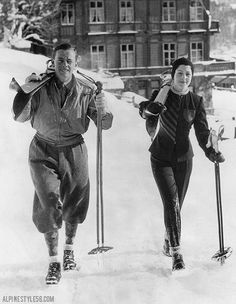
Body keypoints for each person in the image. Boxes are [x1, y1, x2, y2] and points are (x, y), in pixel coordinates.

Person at [12, 43, 113, 284]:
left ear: (76, 63)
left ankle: (69, 250)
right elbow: (20, 117)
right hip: (42, 151)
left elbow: (105, 124)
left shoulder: (87, 89)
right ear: (52, 62)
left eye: (69, 60)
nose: (64, 65)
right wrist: (24, 93)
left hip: (74, 150)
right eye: (60, 60)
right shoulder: (38, 86)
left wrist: (103, 108)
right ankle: (54, 262)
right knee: (48, 202)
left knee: (75, 200)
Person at [139, 57, 224, 271]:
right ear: (173, 74)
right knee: (171, 203)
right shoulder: (162, 96)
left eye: (188, 74)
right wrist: (155, 104)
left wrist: (211, 151)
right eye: (180, 73)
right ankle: (177, 253)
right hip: (160, 158)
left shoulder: (196, 101)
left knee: (177, 206)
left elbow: (202, 132)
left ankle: (169, 238)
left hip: (184, 160)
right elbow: (145, 112)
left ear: (191, 77)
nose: (184, 78)